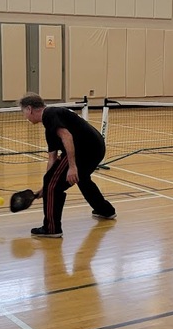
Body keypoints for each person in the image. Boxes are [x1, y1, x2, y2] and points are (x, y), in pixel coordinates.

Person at [20, 93, 116, 238]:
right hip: (96, 148)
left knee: (55, 186)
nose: (25, 117)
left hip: (85, 150)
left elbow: (67, 137)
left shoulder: (50, 114)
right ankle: (105, 210)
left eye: (23, 112)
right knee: (79, 179)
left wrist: (72, 167)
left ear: (29, 109)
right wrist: (45, 187)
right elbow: (52, 158)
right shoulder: (50, 123)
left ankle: (51, 228)